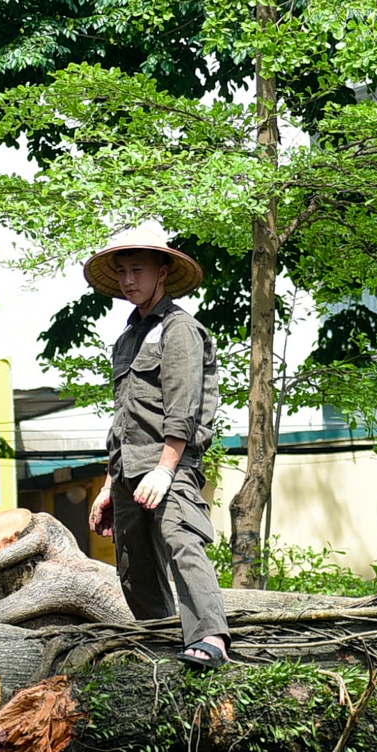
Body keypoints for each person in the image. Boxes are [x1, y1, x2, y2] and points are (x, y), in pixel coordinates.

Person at [83, 224, 229, 668]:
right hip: (128, 470)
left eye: (138, 270)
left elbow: (182, 406)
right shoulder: (127, 339)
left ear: (162, 271)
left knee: (180, 540)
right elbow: (123, 420)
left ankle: (212, 639)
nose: (129, 280)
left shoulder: (181, 329)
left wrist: (166, 469)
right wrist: (110, 485)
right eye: (122, 271)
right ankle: (166, 646)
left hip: (170, 464)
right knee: (132, 564)